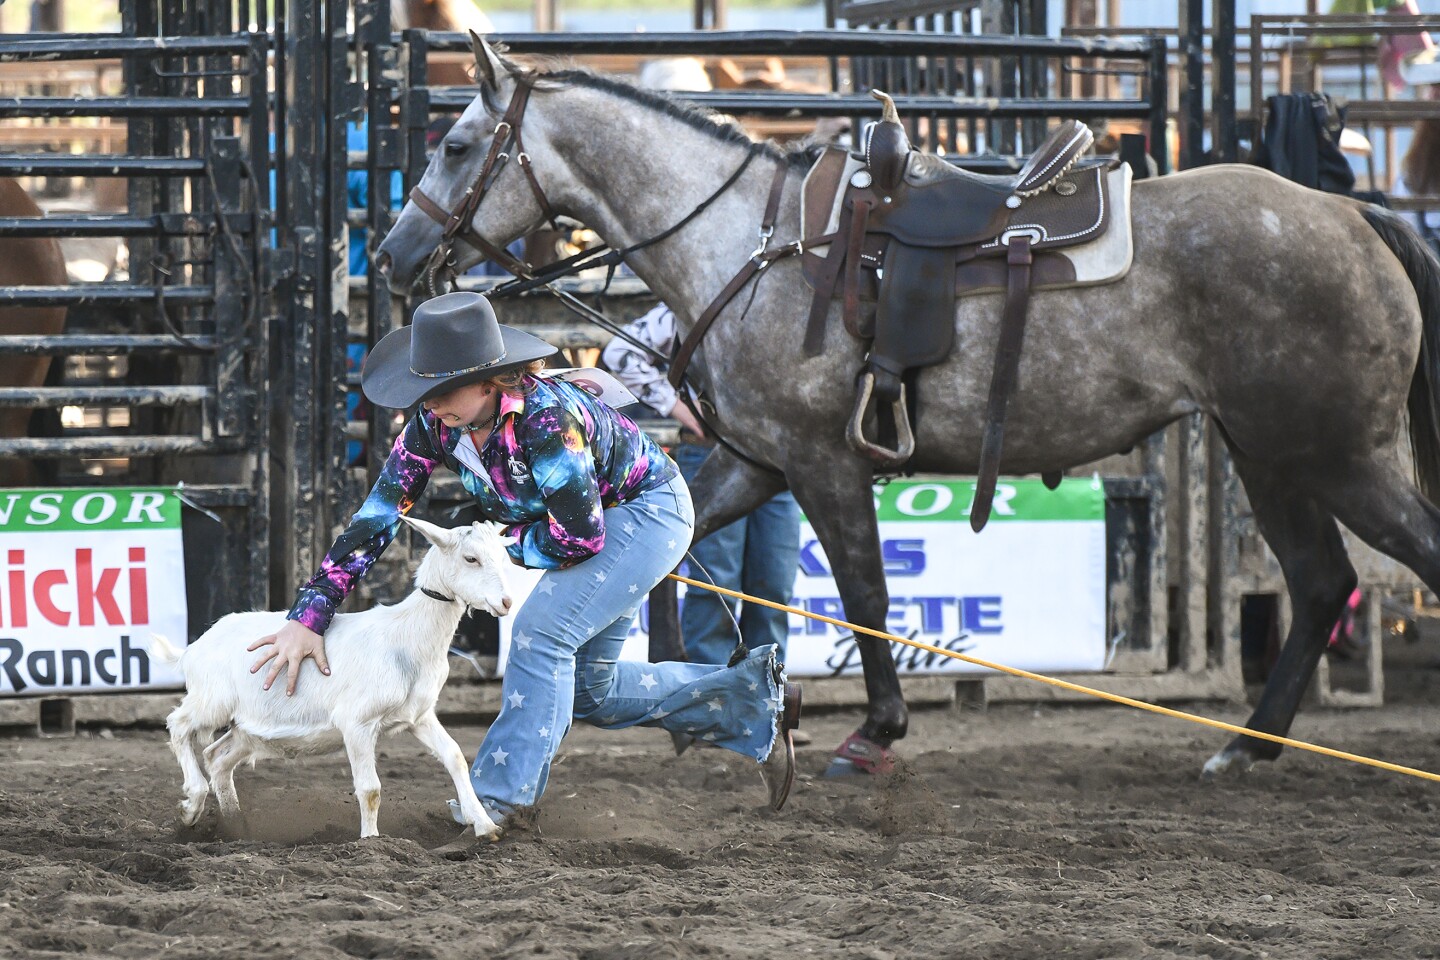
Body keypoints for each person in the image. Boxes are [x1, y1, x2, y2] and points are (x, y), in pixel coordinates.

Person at [249, 291, 800, 831]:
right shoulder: (434, 425)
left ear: (489, 381)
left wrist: (491, 548)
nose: (429, 403)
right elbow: (379, 515)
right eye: (423, 390)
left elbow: (578, 537)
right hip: (589, 520)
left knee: (541, 637)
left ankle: (496, 805)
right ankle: (753, 703)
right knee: (588, 689)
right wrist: (309, 615)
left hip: (643, 512)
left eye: (441, 389)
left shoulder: (545, 419)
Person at [601, 304, 801, 668]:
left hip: (773, 459)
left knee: (774, 584)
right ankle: (712, 689)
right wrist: (681, 409)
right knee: (718, 583)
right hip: (719, 453)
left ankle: (765, 691)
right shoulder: (697, 302)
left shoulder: (775, 298)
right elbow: (620, 351)